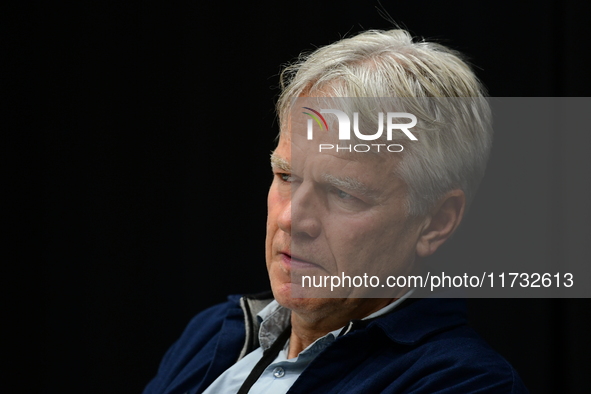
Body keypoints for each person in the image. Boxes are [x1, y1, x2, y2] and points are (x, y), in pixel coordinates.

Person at [144, 29, 528, 393]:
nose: (291, 219)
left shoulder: (464, 383)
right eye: (286, 175)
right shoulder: (213, 332)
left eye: (343, 193)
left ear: (436, 222)